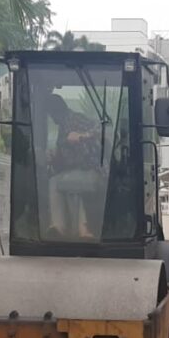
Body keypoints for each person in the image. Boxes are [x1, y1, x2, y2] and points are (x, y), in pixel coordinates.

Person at [45, 94, 101, 239]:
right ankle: (58, 226)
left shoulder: (75, 118)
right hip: (74, 171)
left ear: (56, 110)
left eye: (51, 113)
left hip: (93, 169)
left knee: (70, 182)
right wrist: (53, 158)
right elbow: (65, 158)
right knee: (54, 181)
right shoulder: (62, 127)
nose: (51, 118)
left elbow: (102, 127)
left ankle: (82, 230)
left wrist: (82, 136)